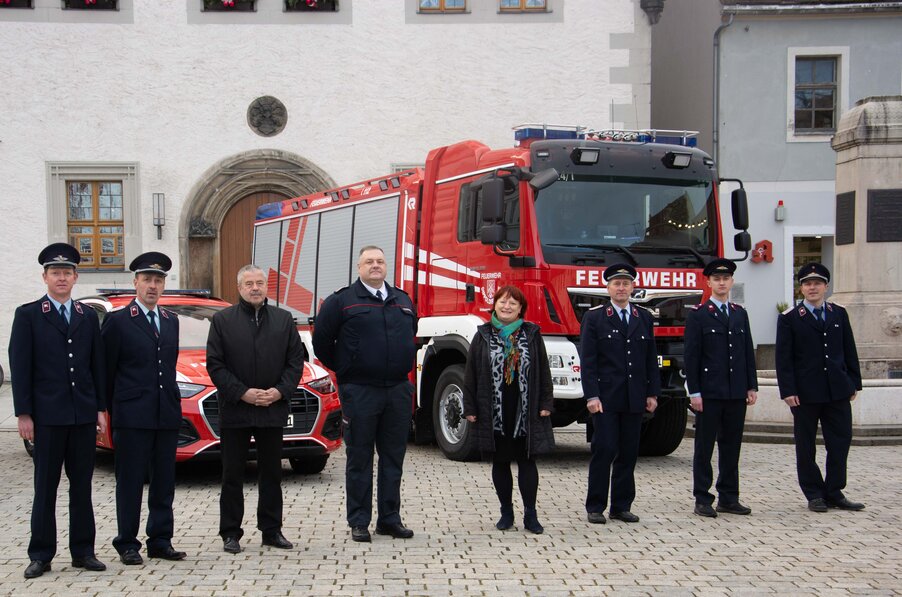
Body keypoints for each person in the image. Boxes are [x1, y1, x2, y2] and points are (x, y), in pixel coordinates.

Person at [8, 243, 107, 579]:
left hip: (81, 416)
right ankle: (41, 553)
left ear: (76, 277)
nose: (61, 278)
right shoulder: (29, 315)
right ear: (45, 277)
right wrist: (24, 413)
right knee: (45, 488)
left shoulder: (87, 317)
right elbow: (20, 368)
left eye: (67, 273)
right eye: (55, 273)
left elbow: (97, 366)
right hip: (47, 418)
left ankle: (83, 551)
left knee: (82, 487)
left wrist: (100, 409)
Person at [312, 245, 417, 543]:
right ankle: (359, 520)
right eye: (369, 261)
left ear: (387, 267)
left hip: (397, 390)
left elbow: (411, 333)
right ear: (358, 267)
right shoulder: (341, 302)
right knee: (359, 457)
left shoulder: (403, 300)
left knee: (393, 458)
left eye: (380, 261)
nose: (375, 266)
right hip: (359, 391)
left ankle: (389, 519)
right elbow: (322, 342)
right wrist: (347, 368)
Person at [206, 264, 305, 553]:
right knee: (232, 474)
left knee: (272, 473)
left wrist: (279, 392)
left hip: (272, 409)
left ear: (266, 286)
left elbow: (295, 362)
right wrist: (243, 393)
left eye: (259, 282)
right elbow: (215, 364)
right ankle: (230, 533)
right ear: (239, 288)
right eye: (248, 283)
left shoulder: (284, 320)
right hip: (236, 409)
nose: (255, 288)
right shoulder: (223, 320)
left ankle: (271, 530)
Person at [101, 252, 186, 565]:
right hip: (132, 416)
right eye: (147, 279)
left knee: (164, 482)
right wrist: (111, 410)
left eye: (158, 280)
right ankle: (127, 543)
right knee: (131, 482)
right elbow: (107, 371)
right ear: (135, 282)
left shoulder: (170, 321)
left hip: (165, 413)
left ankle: (160, 540)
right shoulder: (118, 321)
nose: (153, 285)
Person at [462, 285, 555, 534]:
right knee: (500, 462)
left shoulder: (532, 334)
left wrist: (547, 403)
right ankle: (506, 512)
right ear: (495, 305)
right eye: (503, 301)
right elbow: (470, 374)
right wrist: (469, 407)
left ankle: (531, 515)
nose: (507, 306)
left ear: (520, 308)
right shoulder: (482, 335)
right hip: (494, 410)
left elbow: (544, 371)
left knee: (527, 461)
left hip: (526, 409)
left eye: (513, 303)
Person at [776, 262, 864, 513]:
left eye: (817, 283)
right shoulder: (790, 319)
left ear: (826, 286)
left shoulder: (838, 313)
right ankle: (814, 493)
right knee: (806, 445)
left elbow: (849, 349)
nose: (812, 287)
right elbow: (784, 359)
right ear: (801, 288)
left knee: (840, 441)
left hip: (837, 390)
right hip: (805, 393)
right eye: (807, 283)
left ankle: (834, 491)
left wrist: (853, 382)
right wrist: (788, 390)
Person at [579, 263, 660, 525]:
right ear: (608, 288)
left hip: (634, 396)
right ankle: (596, 506)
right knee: (605, 449)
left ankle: (621, 506)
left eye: (626, 283)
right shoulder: (595, 317)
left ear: (633, 287)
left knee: (628, 452)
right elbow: (589, 361)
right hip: (606, 397)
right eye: (617, 283)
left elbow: (650, 359)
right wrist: (592, 396)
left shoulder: (643, 317)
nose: (622, 288)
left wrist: (652, 393)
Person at [684, 258, 757, 518]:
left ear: (731, 282)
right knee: (704, 447)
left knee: (731, 446)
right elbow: (692, 357)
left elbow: (747, 351)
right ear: (709, 282)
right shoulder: (698, 315)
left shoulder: (739, 313)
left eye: (726, 279)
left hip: (735, 391)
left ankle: (729, 497)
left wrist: (751, 385)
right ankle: (703, 497)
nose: (722, 283)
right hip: (710, 392)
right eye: (717, 279)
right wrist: (695, 392)